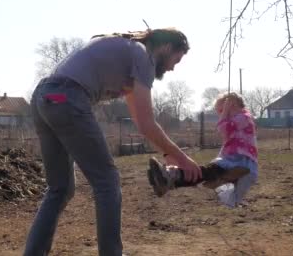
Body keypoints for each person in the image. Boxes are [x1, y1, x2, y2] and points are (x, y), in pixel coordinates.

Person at [23, 28, 202, 256]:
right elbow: (147, 123)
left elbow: (140, 120)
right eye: (177, 59)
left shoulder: (126, 55)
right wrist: (182, 158)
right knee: (107, 181)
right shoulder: (143, 56)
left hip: (45, 97)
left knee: (59, 188)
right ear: (166, 47)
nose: (173, 67)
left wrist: (168, 154)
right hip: (66, 98)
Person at [148, 92, 258, 208]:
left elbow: (222, 128)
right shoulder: (239, 118)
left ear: (233, 105)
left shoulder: (244, 117)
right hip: (232, 161)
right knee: (202, 174)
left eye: (221, 111)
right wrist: (225, 111)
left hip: (240, 161)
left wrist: (225, 112)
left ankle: (170, 175)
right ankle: (169, 181)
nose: (221, 115)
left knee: (205, 172)